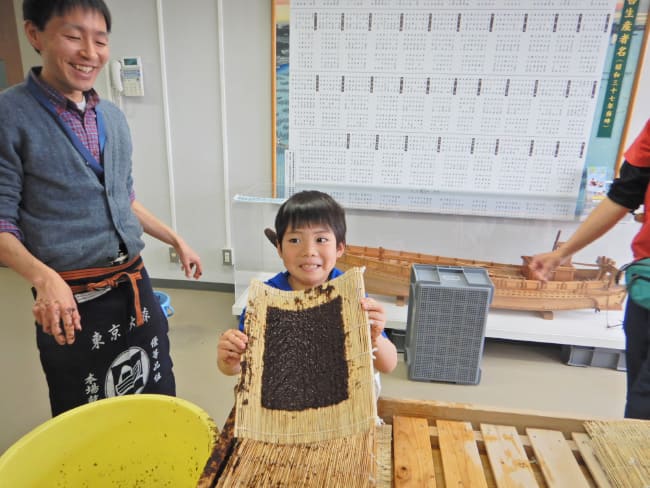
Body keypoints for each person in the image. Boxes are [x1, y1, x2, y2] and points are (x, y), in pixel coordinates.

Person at [0, 0, 203, 416]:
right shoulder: (9, 115)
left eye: (100, 40)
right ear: (35, 35)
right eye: (73, 37)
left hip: (132, 281)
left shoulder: (111, 116)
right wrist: (44, 278)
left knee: (155, 382)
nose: (89, 52)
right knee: (85, 404)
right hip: (70, 296)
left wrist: (176, 239)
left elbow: (123, 199)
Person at [529, 119, 650, 420]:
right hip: (646, 287)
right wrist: (562, 253)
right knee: (639, 396)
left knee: (644, 401)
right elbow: (624, 194)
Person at [217, 190, 398, 382]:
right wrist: (229, 358)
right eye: (295, 240)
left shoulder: (352, 294)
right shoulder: (264, 300)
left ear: (339, 248)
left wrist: (374, 336)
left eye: (321, 240)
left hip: (341, 392)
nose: (309, 251)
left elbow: (388, 365)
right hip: (285, 389)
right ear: (279, 248)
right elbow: (238, 365)